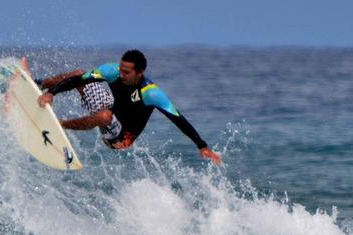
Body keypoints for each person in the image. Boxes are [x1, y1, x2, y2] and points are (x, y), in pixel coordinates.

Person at [37, 49, 222, 163]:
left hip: (120, 138)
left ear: (140, 72)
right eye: (121, 69)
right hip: (108, 108)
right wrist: (51, 93)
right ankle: (39, 84)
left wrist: (202, 146)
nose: (122, 74)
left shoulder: (151, 93)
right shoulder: (113, 71)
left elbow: (178, 119)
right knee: (79, 74)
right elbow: (78, 80)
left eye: (126, 72)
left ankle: (59, 125)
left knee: (105, 117)